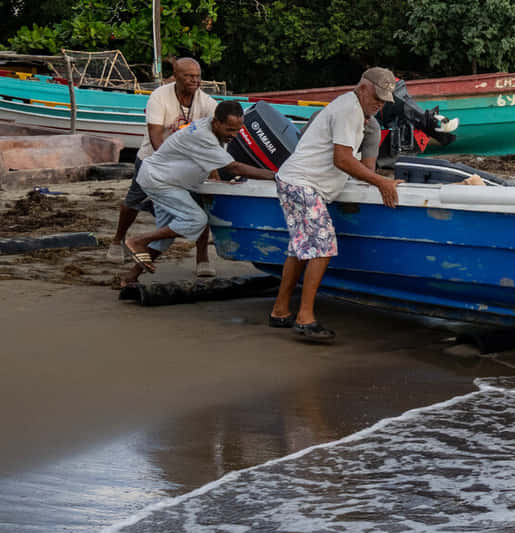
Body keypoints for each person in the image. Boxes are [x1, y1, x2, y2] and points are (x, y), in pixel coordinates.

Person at [269, 68, 401, 343]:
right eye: (376, 97)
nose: (379, 104)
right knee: (323, 246)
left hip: (295, 181)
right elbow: (342, 159)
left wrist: (373, 178)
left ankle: (280, 310)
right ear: (363, 88)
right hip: (304, 183)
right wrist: (380, 182)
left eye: (384, 100)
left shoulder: (355, 110)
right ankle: (305, 318)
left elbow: (351, 161)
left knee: (300, 248)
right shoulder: (348, 109)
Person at [120, 100, 277, 285]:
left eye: (237, 130)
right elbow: (234, 167)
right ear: (216, 122)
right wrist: (275, 175)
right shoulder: (203, 136)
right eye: (229, 130)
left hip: (169, 181)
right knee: (197, 220)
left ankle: (130, 277)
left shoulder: (215, 130)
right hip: (160, 181)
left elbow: (213, 163)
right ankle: (139, 240)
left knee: (165, 237)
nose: (233, 135)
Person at [112, 56, 219, 274]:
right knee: (133, 200)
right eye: (188, 76)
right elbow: (155, 135)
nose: (194, 80)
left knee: (202, 205)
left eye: (197, 76)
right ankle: (118, 239)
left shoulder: (207, 103)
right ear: (175, 76)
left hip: (190, 164)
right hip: (153, 158)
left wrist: (213, 171)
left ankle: (202, 257)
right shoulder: (159, 97)